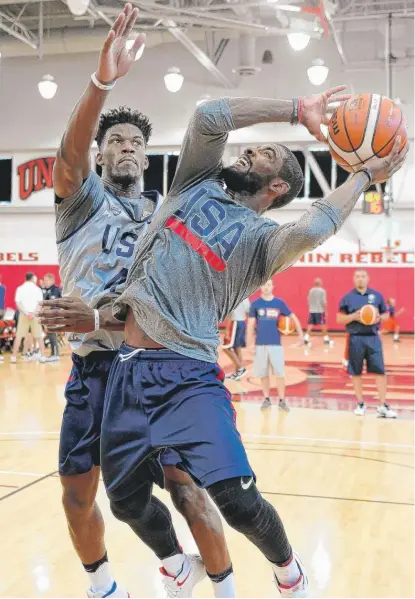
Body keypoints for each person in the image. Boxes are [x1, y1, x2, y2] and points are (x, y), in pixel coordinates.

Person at [97, 38, 407, 597]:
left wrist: (366, 176)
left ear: (279, 185)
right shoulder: (193, 181)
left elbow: (314, 227)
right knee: (122, 499)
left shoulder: (264, 241)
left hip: (187, 376)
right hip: (126, 368)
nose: (248, 155)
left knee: (236, 501)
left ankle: (289, 573)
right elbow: (210, 116)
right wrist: (296, 108)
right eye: (251, 151)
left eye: (264, 157)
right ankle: (175, 563)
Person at [40, 6, 233, 598]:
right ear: (100, 156)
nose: (126, 147)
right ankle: (103, 585)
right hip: (93, 368)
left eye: (135, 143)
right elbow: (68, 157)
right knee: (76, 492)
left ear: (146, 158)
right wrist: (102, 83)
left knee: (186, 487)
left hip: (152, 367)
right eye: (115, 141)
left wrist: (103, 313)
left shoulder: (161, 216)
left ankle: (221, 583)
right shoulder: (80, 202)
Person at [336, 270, 396, 418]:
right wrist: (354, 316)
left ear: (368, 279)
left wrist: (378, 318)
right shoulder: (347, 298)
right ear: (353, 279)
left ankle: (382, 406)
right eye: (357, 276)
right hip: (355, 338)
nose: (360, 279)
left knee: (380, 372)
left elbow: (386, 314)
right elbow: (339, 319)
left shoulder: (377, 296)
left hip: (373, 337)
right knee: (356, 372)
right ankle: (360, 404)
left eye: (363, 276)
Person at [247, 280, 303, 411]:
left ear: (273, 286)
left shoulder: (279, 303)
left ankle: (282, 400)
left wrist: (301, 335)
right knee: (263, 374)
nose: (266, 287)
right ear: (260, 286)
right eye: (263, 284)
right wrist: (250, 344)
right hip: (260, 344)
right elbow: (250, 325)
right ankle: (266, 399)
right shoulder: (255, 304)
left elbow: (293, 317)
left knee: (280, 373)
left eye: (268, 285)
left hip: (276, 344)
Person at [11, 273, 45, 363]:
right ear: (33, 278)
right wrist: (33, 314)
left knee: (19, 336)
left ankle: (13, 357)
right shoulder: (38, 289)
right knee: (39, 336)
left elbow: (17, 303)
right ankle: (43, 356)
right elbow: (40, 304)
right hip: (35, 315)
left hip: (23, 314)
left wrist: (26, 313)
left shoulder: (20, 289)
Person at [222, 298, 250, 380]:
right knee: (237, 348)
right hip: (242, 323)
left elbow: (230, 314)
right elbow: (248, 312)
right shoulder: (246, 297)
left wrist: (227, 330)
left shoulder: (234, 294)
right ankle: (238, 373)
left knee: (225, 347)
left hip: (235, 323)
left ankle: (241, 368)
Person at [304, 278, 331, 346]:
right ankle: (326, 339)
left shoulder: (311, 291)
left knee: (310, 325)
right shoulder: (322, 291)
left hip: (312, 311)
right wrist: (325, 311)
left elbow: (308, 299)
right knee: (323, 325)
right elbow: (324, 302)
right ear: (320, 283)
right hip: (320, 311)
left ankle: (306, 338)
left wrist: (311, 308)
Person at [42, 273, 62, 361]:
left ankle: (56, 354)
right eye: (44, 280)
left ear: (51, 280)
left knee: (52, 334)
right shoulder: (46, 290)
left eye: (46, 280)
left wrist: (43, 307)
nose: (44, 282)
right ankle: (53, 353)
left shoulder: (55, 290)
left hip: (54, 316)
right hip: (48, 316)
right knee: (50, 335)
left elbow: (53, 304)